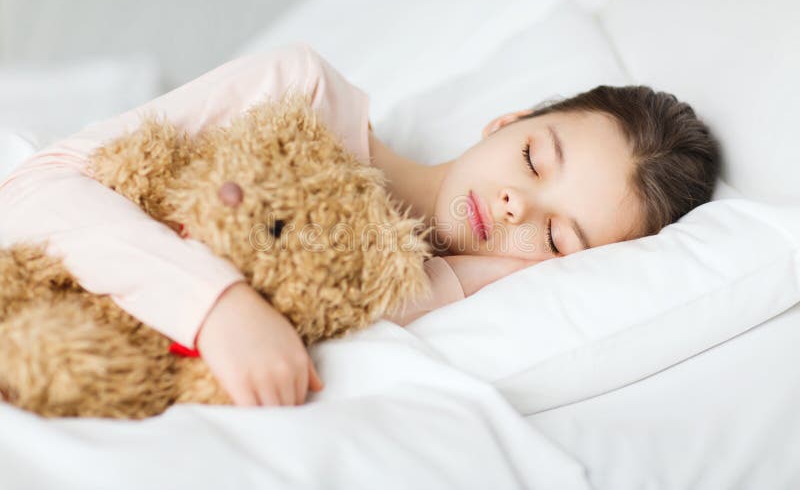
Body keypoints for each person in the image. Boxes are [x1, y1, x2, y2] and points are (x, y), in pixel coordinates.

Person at [0, 43, 720, 409]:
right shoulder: (302, 92)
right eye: (533, 159)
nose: (515, 208)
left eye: (559, 235)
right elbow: (37, 191)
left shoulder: (426, 288)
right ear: (509, 122)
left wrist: (467, 276)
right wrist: (218, 306)